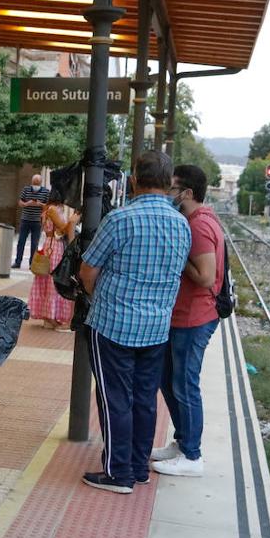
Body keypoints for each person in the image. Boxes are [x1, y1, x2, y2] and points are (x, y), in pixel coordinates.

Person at [78, 150, 190, 493]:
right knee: (144, 397)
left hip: (113, 324)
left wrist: (103, 300)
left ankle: (118, 473)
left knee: (115, 398)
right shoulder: (181, 224)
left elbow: (88, 271)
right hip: (157, 327)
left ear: (134, 180)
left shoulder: (120, 220)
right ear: (170, 183)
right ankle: (139, 467)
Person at [152, 164, 225, 478]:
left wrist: (179, 259)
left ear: (187, 193)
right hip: (183, 317)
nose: (169, 194)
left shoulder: (197, 226)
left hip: (195, 317)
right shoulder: (196, 220)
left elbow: (207, 276)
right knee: (169, 380)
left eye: (172, 189)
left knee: (184, 384)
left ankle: (192, 455)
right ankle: (182, 443)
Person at [28, 200, 79, 331]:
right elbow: (64, 229)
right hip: (56, 247)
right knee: (55, 281)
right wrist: (73, 221)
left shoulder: (47, 209)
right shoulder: (53, 210)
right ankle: (52, 317)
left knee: (47, 281)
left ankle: (48, 317)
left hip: (49, 245)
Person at [13, 173, 50, 269]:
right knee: (21, 242)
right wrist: (26, 204)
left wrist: (40, 204)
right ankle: (18, 262)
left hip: (37, 221)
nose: (36, 184)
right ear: (32, 182)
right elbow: (20, 202)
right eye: (35, 182)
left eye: (37, 182)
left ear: (40, 182)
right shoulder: (26, 189)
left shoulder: (46, 192)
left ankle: (32, 264)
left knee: (35, 243)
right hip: (25, 219)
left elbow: (48, 206)